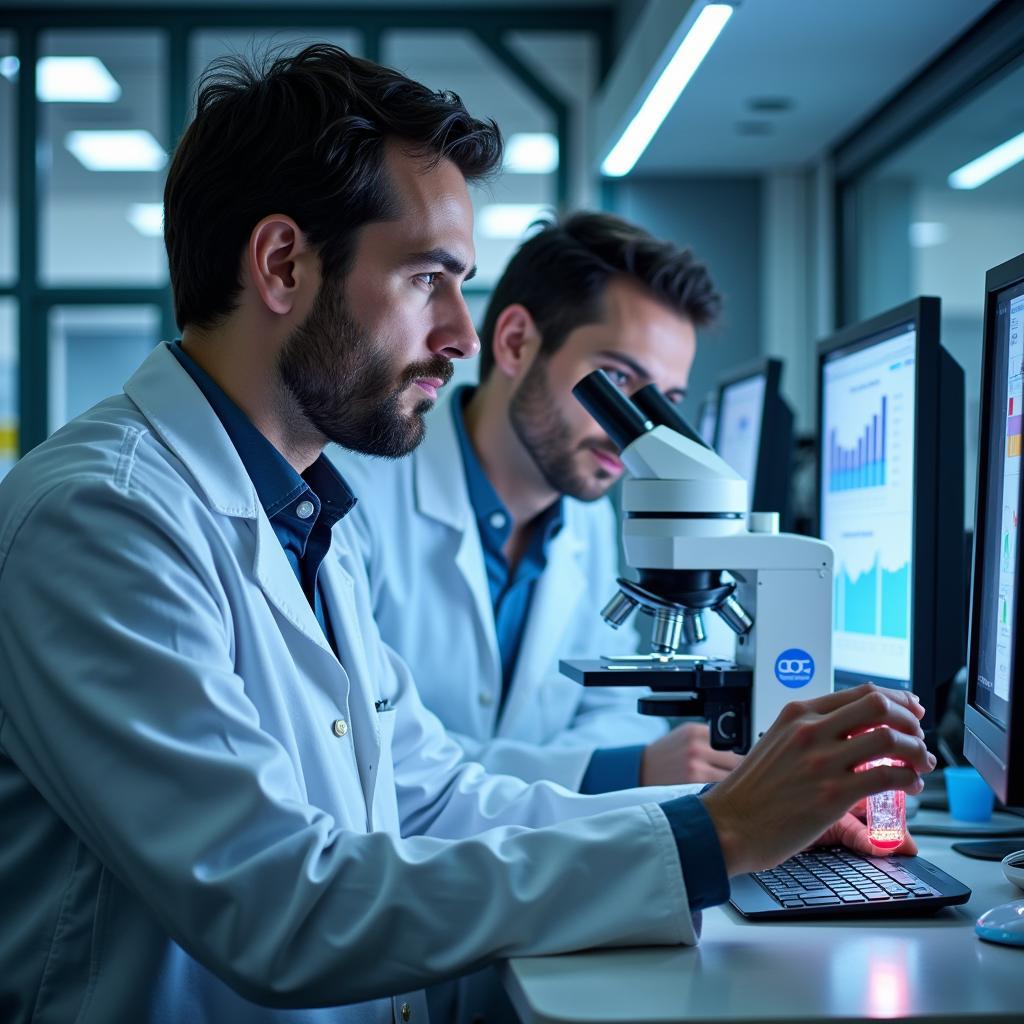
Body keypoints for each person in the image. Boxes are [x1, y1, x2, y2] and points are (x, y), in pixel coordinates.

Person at [0, 45, 934, 1024]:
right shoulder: (104, 520)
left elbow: (437, 797)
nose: (460, 332)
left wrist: (719, 818)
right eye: (427, 279)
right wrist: (715, 840)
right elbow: (277, 905)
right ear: (282, 265)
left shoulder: (304, 516)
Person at [333, 212, 743, 795]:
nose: (638, 433)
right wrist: (627, 769)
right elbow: (363, 754)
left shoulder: (591, 521)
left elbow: (612, 713)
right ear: (516, 343)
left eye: (665, 401)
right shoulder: (354, 497)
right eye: (618, 382)